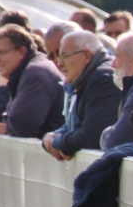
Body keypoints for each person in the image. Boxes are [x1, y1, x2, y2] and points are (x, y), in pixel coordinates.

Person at [42, 30, 120, 159]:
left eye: (64, 56)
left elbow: (91, 137)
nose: (59, 64)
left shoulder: (102, 78)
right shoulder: (87, 76)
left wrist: (57, 142)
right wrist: (50, 138)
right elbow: (75, 128)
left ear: (87, 56)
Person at [0, 24, 64, 138]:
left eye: (1, 53)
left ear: (22, 51)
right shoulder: (30, 69)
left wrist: (5, 126)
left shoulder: (35, 74)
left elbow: (22, 124)